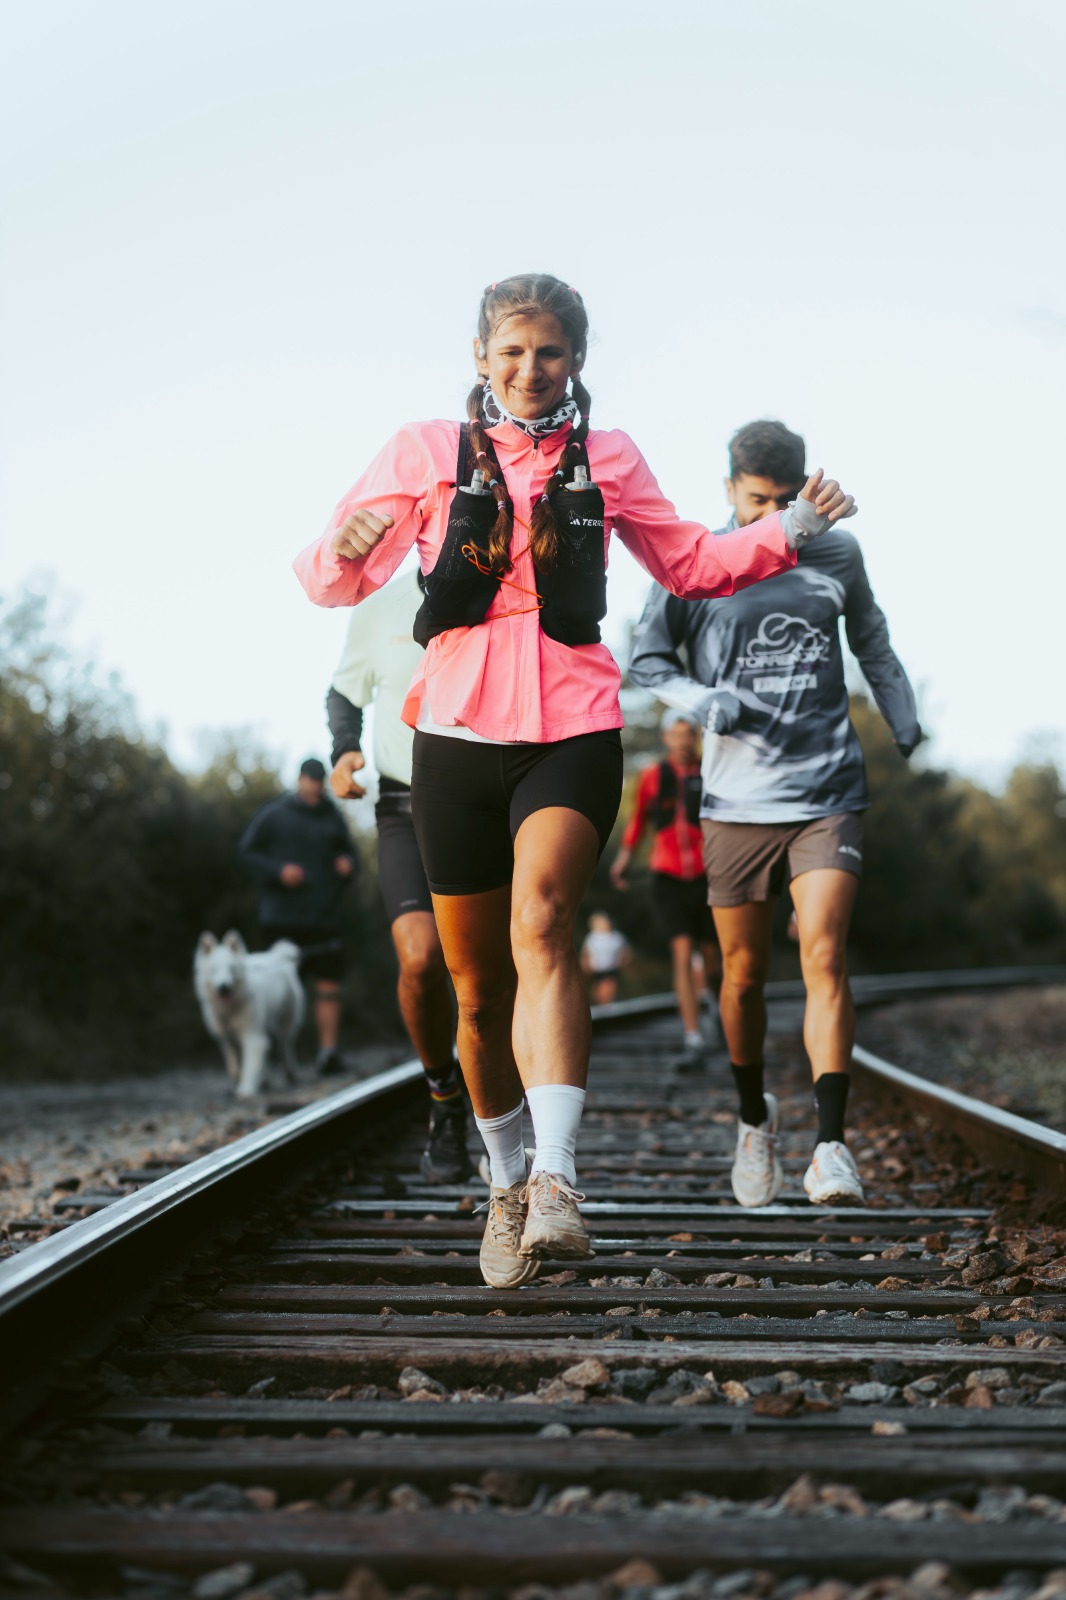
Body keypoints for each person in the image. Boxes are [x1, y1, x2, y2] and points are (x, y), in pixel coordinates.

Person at [294, 275, 855, 1288]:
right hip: (456, 728)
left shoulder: (609, 455)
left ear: (576, 362)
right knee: (472, 993)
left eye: (548, 353)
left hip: (576, 720)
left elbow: (688, 562)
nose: (528, 370)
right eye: (510, 351)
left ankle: (556, 1178)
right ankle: (506, 1175)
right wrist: (338, 549)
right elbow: (334, 577)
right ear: (478, 356)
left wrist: (792, 531)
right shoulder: (420, 450)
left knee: (545, 919)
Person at [629, 418, 919, 1208]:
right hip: (734, 804)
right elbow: (646, 658)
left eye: (787, 501)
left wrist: (901, 714)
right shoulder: (693, 563)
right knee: (744, 977)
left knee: (823, 956)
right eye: (759, 501)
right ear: (729, 490)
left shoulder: (835, 552)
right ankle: (754, 1118)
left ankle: (829, 1146)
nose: (775, 518)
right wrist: (699, 699)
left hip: (826, 790)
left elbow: (873, 641)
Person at [326, 566, 473, 1184]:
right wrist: (342, 750)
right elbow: (344, 691)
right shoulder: (379, 608)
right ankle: (444, 1097)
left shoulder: (502, 584)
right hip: (401, 804)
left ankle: (508, 1114)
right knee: (419, 960)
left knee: (487, 966)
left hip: (479, 799)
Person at [610, 708, 722, 1067]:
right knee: (681, 950)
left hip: (709, 873)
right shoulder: (651, 777)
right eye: (676, 734)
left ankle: (717, 1009)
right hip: (667, 873)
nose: (682, 741)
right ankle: (692, 1036)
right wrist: (625, 858)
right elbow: (638, 820)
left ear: (696, 737)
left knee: (713, 959)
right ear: (666, 738)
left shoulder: (711, 770)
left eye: (688, 734)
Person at [237, 758, 357, 1076]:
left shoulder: (332, 816)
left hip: (325, 916)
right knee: (278, 989)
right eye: (310, 781)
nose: (315, 787)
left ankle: (327, 1054)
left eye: (320, 782)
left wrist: (348, 865)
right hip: (282, 918)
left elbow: (350, 855)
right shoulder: (274, 814)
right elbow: (246, 853)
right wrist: (278, 871)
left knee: (329, 986)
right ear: (301, 780)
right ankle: (280, 1056)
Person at [580, 911, 631, 1005]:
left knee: (611, 989)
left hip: (612, 969)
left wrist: (623, 962)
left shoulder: (617, 937)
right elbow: (586, 954)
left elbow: (626, 952)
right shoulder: (591, 938)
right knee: (600, 991)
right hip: (597, 971)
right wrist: (586, 966)